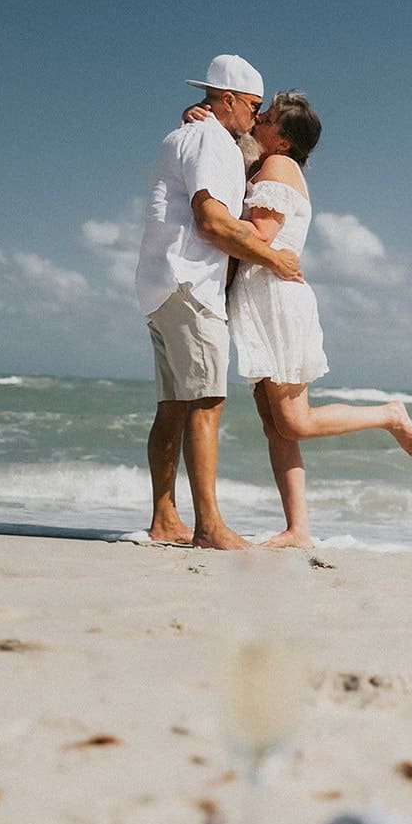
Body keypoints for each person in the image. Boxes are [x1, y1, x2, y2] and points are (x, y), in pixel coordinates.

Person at [191, 90, 412, 548]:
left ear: (284, 141)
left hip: (277, 299)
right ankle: (298, 529)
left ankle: (388, 414)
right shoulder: (267, 162)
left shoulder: (278, 166)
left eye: (270, 117)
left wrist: (211, 219)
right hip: (261, 299)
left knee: (294, 422)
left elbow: (260, 234)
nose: (259, 118)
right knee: (274, 424)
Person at [134, 54, 303, 548]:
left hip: (159, 282)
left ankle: (165, 519)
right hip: (190, 282)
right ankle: (208, 526)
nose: (256, 116)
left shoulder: (187, 134)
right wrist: (275, 259)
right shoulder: (211, 139)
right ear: (227, 100)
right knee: (207, 401)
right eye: (252, 106)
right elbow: (211, 221)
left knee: (173, 406)